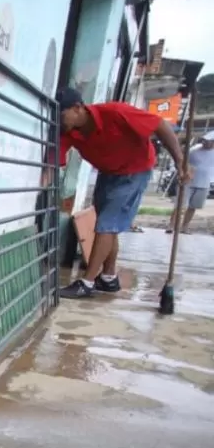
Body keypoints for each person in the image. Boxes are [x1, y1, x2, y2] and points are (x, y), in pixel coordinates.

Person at [52, 87, 190, 298]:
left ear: (78, 108)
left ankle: (87, 283)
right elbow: (56, 160)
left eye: (62, 115)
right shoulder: (68, 131)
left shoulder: (116, 113)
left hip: (135, 170)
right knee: (108, 225)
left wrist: (180, 161)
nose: (59, 122)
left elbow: (160, 125)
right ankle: (108, 278)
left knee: (107, 224)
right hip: (108, 172)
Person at [167, 131, 214, 235]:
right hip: (188, 181)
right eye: (205, 141)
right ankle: (171, 225)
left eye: (209, 142)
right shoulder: (194, 150)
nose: (205, 143)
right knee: (180, 205)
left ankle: (185, 227)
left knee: (193, 206)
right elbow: (182, 161)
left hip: (204, 183)